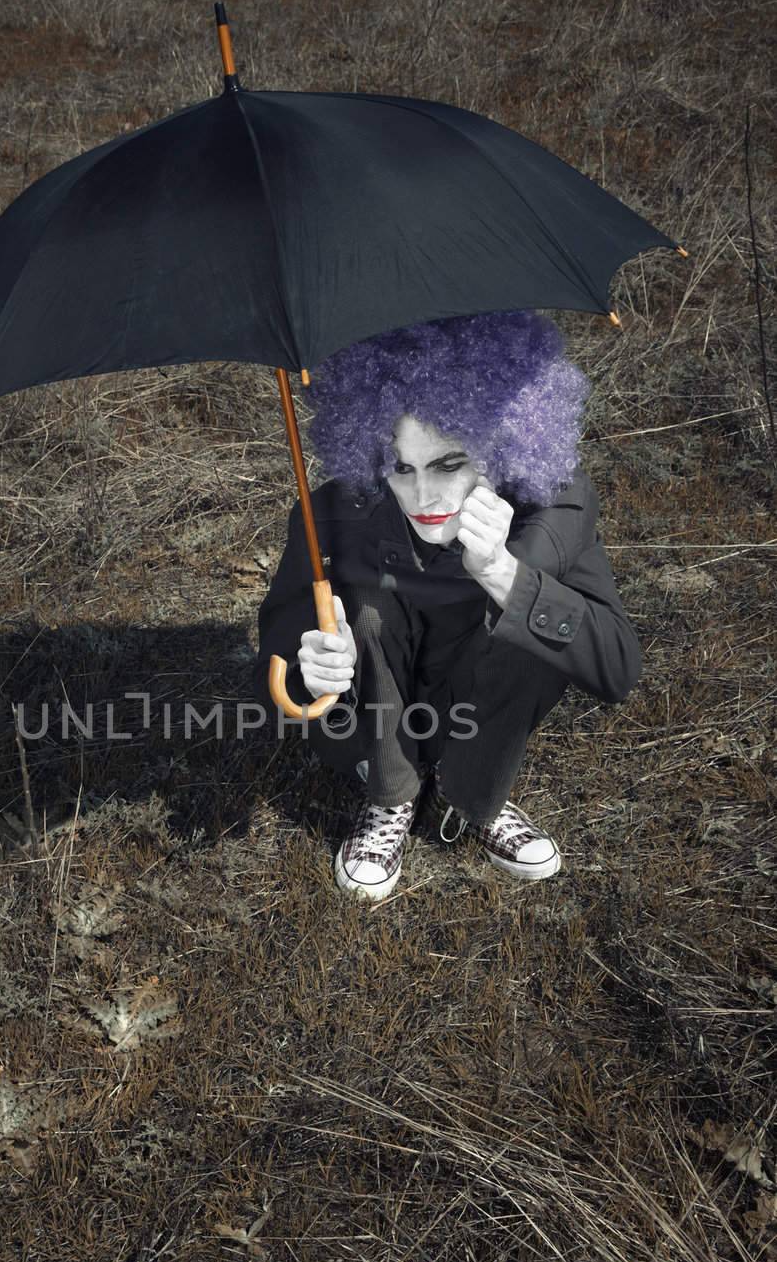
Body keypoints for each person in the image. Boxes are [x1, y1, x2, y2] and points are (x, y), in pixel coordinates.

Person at [249, 310, 642, 902]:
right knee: (368, 603)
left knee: (525, 617)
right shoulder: (331, 514)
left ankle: (473, 795)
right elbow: (269, 678)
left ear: (502, 446)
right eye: (401, 468)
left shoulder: (553, 508)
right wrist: (310, 666)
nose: (423, 495)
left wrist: (506, 575)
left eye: (448, 463)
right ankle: (392, 794)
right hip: (377, 713)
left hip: (479, 700)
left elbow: (618, 668)